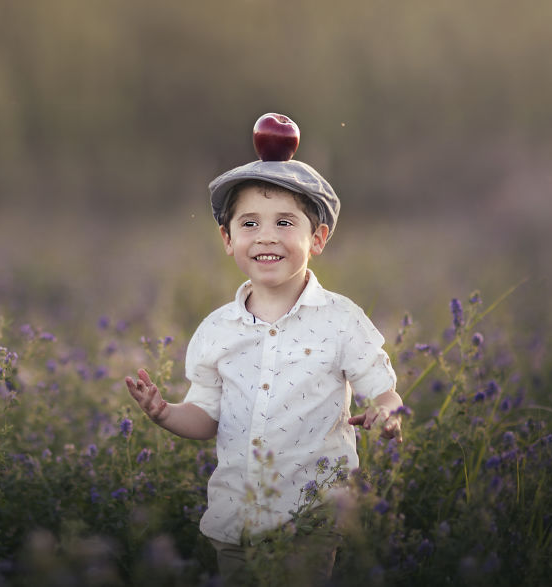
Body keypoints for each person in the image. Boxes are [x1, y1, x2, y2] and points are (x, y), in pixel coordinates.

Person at [125, 155, 404, 584]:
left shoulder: (341, 321)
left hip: (313, 512)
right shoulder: (217, 330)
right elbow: (206, 417)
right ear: (228, 238)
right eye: (250, 223)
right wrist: (165, 413)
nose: (266, 236)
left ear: (318, 238)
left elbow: (384, 390)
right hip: (236, 515)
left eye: (285, 223)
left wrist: (386, 410)